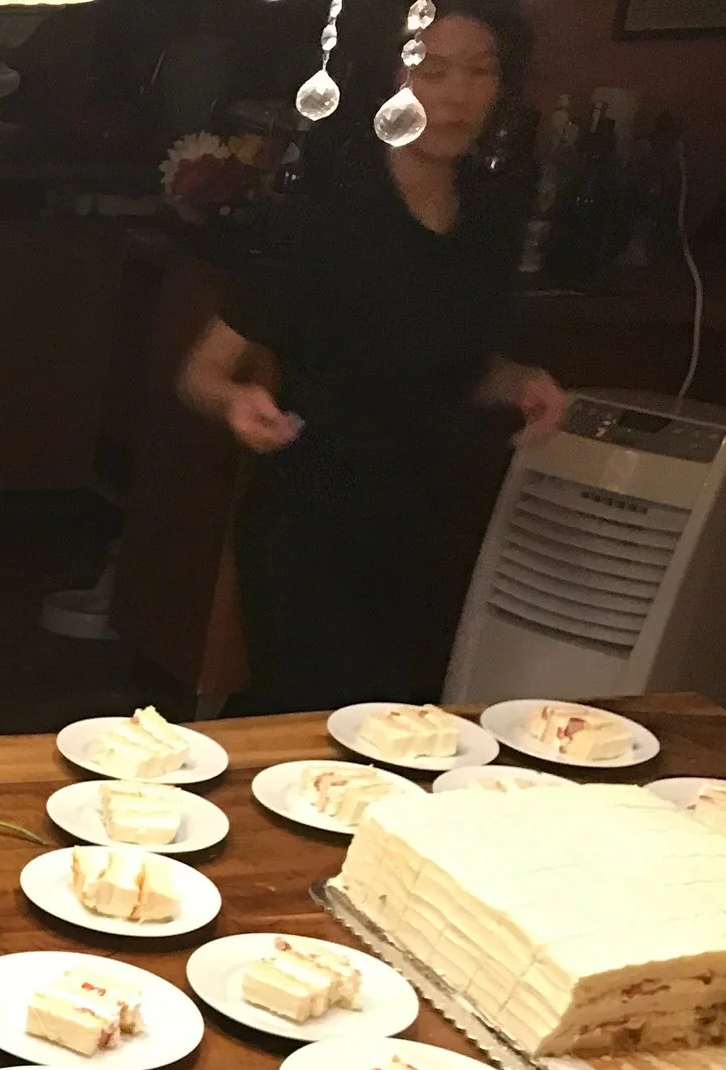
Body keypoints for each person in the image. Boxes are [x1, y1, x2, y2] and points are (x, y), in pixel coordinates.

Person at [177, 0, 566, 712]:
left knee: (392, 730)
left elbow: (448, 366)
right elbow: (201, 372)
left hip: (420, 521)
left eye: (479, 73)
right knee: (312, 728)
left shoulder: (489, 216)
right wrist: (238, 401)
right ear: (389, 82)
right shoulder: (326, 214)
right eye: (432, 70)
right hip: (310, 524)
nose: (456, 95)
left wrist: (521, 381)